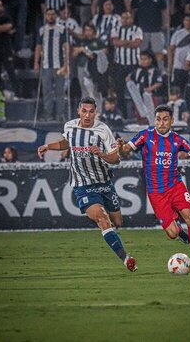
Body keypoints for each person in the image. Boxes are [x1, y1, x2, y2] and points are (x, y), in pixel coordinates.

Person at [37, 96, 137, 272]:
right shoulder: (70, 126)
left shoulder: (103, 130)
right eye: (84, 111)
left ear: (96, 112)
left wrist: (101, 154)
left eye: (91, 111)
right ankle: (126, 258)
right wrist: (48, 146)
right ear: (78, 111)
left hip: (104, 183)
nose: (87, 115)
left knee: (118, 222)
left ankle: (101, 221)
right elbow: (67, 142)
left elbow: (116, 159)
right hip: (83, 185)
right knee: (102, 218)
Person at [118, 104, 190, 273]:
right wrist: (121, 147)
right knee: (172, 233)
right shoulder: (145, 136)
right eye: (158, 119)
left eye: (165, 119)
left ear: (172, 121)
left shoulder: (177, 139)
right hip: (156, 193)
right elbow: (125, 150)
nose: (161, 123)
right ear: (155, 120)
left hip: (175, 186)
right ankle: (180, 231)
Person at [34, 8, 69, 121]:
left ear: (56, 16)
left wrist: (66, 63)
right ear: (45, 16)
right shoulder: (42, 30)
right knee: (47, 92)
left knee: (60, 91)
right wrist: (36, 62)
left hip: (59, 65)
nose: (51, 16)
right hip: (46, 65)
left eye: (53, 14)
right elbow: (38, 47)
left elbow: (66, 46)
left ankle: (60, 115)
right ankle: (47, 115)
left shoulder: (62, 29)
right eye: (49, 14)